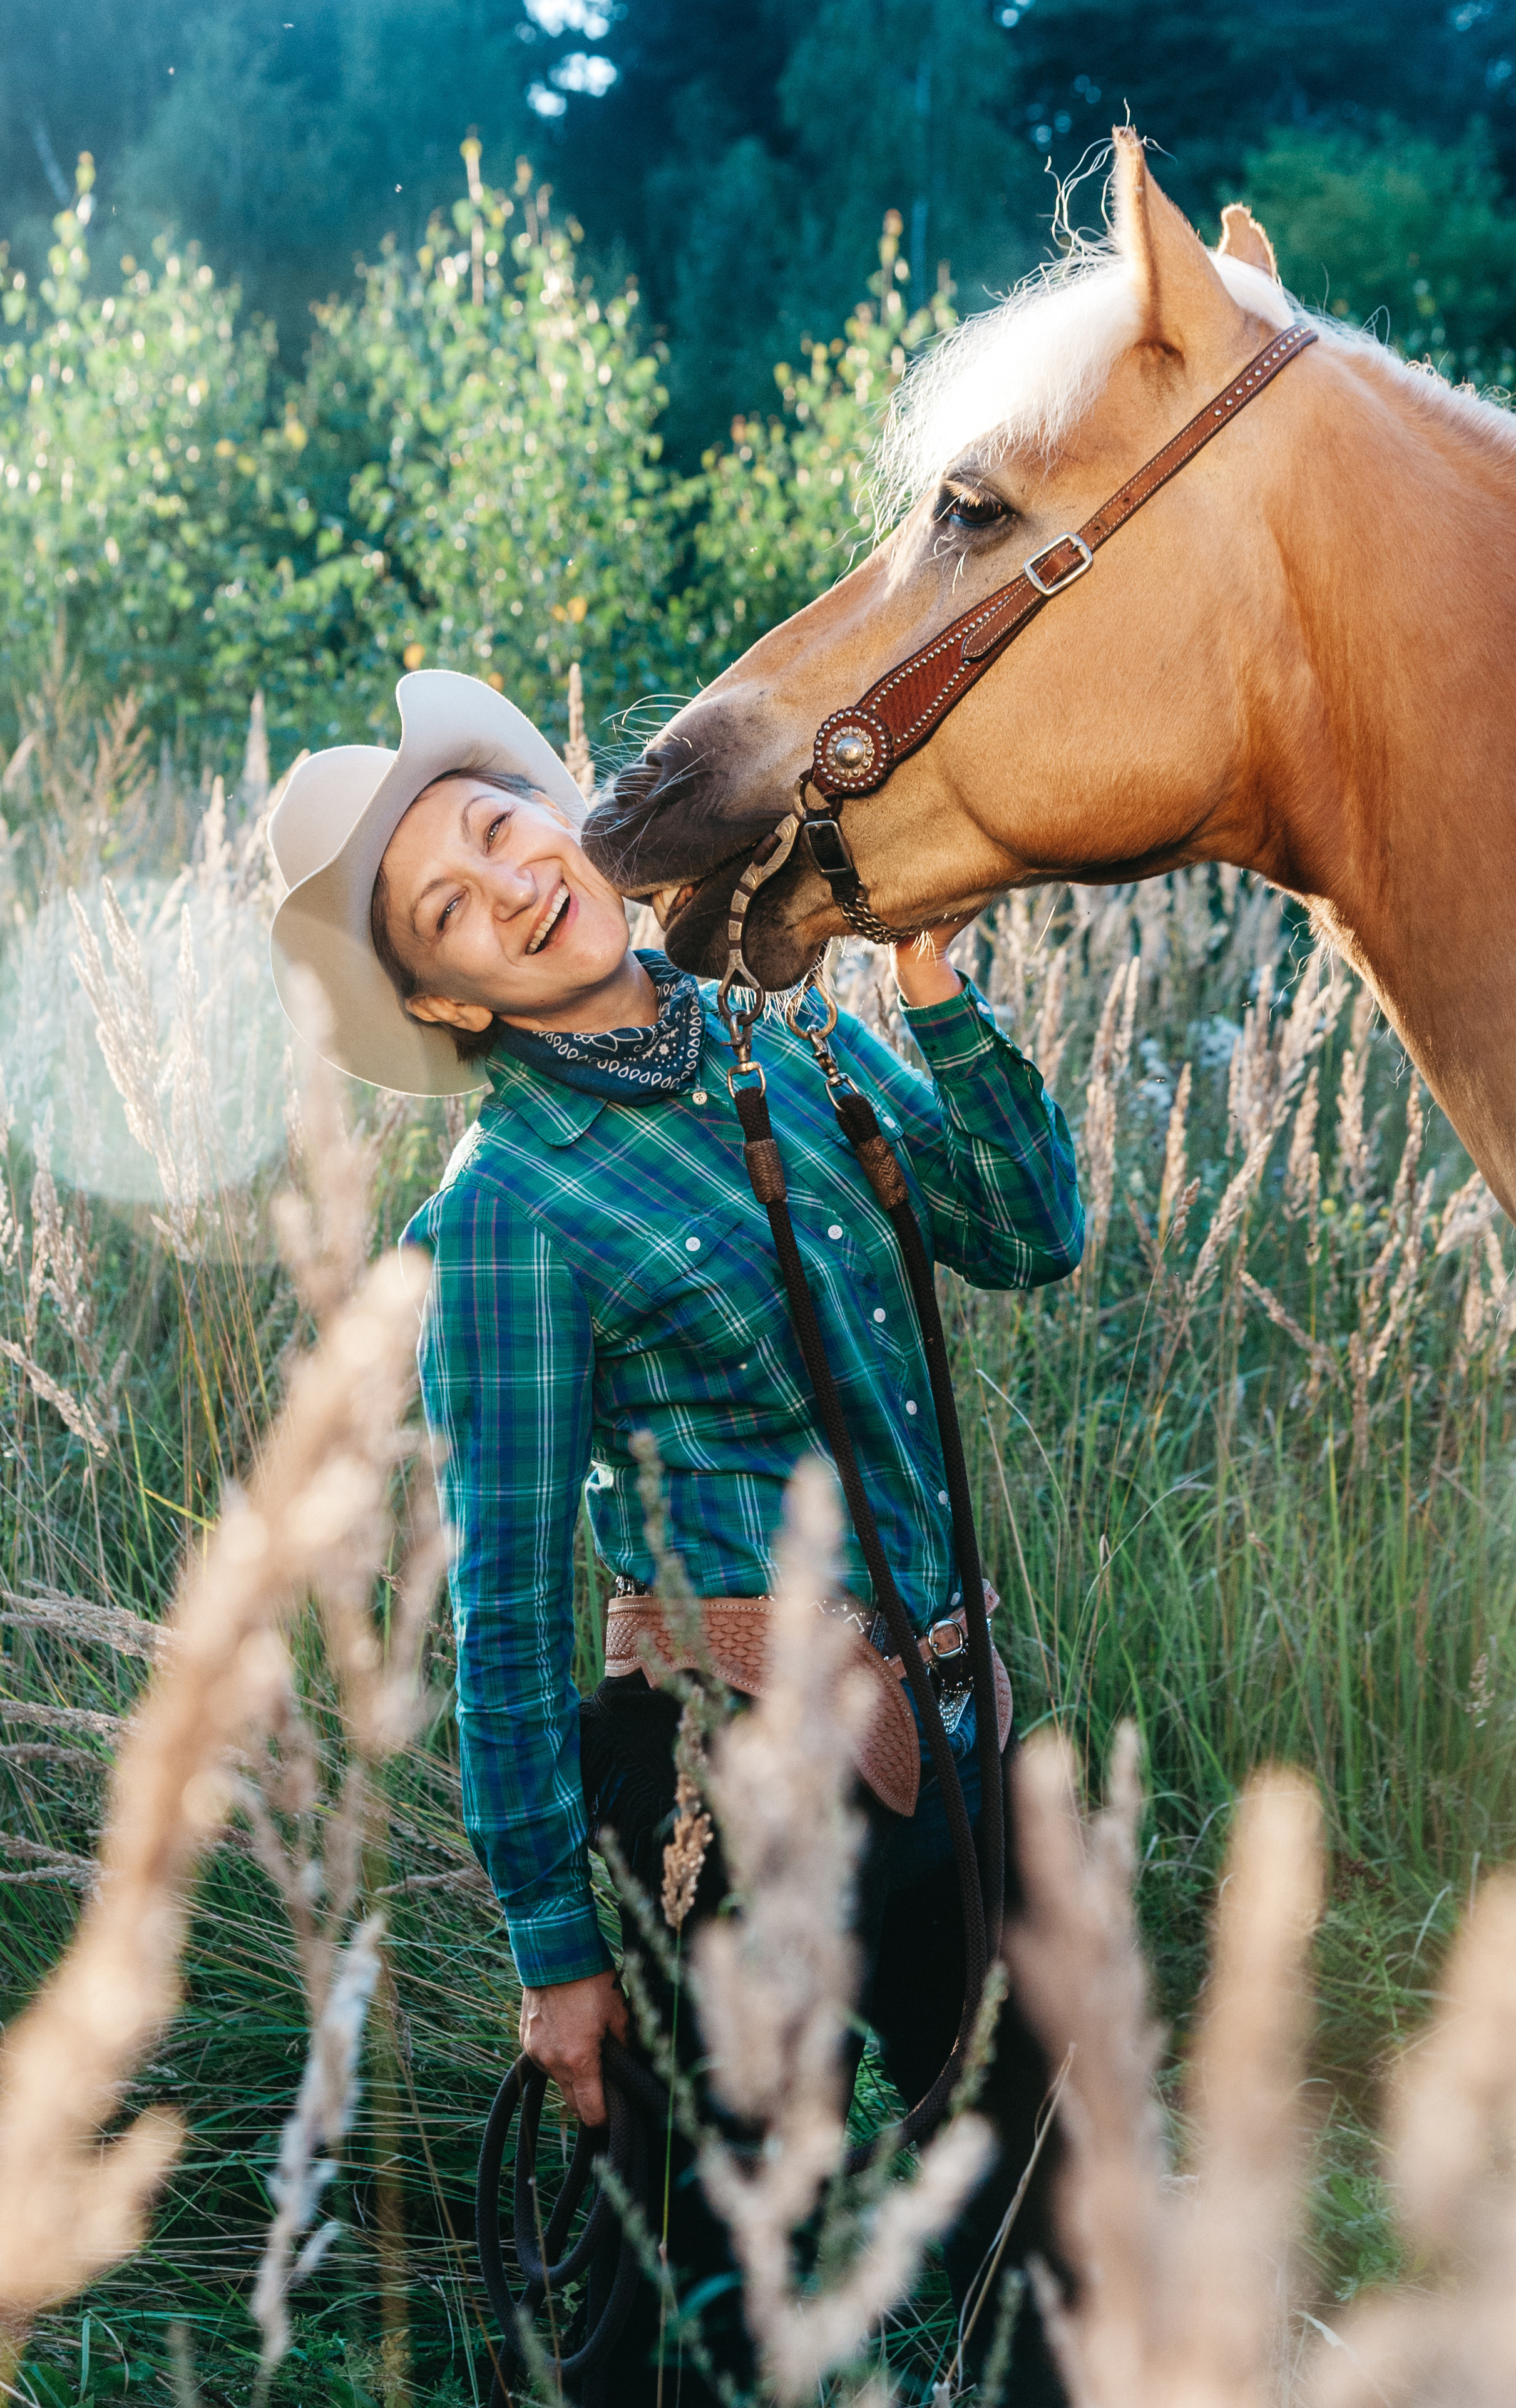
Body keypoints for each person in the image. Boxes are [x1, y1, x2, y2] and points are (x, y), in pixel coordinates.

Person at [269, 669, 1087, 2403]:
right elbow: (501, 1615)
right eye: (447, 910)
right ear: (439, 993)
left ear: (559, 808)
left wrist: (931, 979)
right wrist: (558, 1955)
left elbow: (1032, 1230)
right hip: (729, 1804)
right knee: (704, 2306)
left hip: (953, 1738)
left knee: (1051, 2226)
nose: (506, 888)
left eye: (500, 829)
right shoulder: (505, 1213)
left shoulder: (792, 1043)